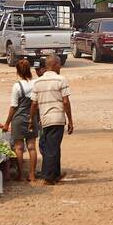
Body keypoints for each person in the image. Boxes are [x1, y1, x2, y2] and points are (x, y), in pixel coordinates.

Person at [30, 55, 73, 185]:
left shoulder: (37, 82)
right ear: (54, 65)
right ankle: (48, 177)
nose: (60, 67)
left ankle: (55, 174)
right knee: (52, 148)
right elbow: (65, 102)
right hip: (57, 118)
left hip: (44, 119)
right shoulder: (61, 79)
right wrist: (70, 120)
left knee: (51, 146)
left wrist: (31, 120)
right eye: (59, 64)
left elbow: (33, 104)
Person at [4, 58, 39, 183]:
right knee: (32, 147)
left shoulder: (17, 86)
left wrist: (7, 123)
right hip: (32, 118)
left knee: (18, 147)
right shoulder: (36, 83)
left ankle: (20, 175)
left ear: (18, 72)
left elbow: (13, 106)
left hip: (18, 119)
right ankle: (32, 175)